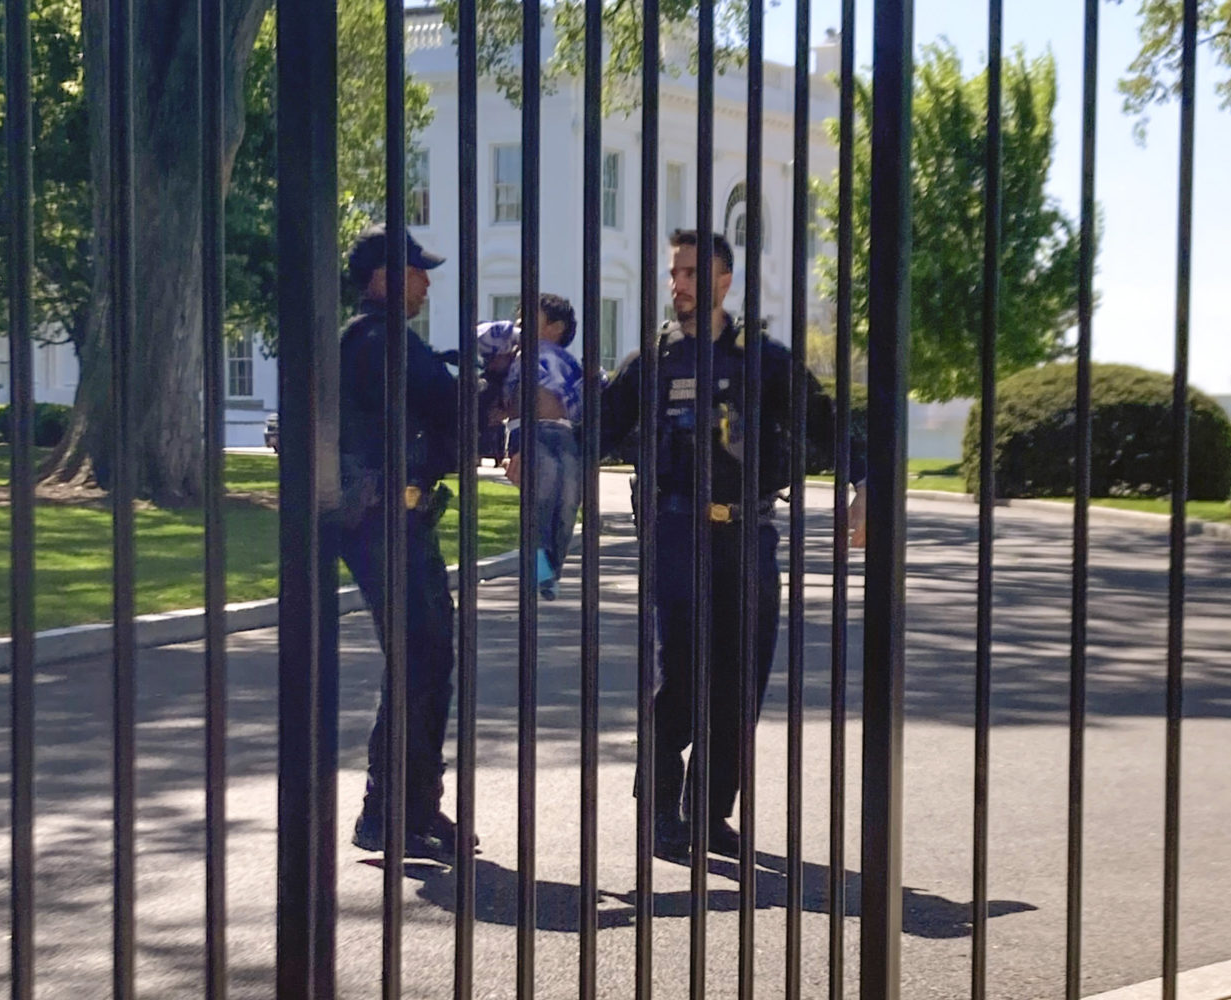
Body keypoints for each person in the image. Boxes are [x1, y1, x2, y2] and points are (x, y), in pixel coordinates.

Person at [600, 228, 868, 861]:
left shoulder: (765, 359)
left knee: (742, 679)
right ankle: (662, 808)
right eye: (674, 273)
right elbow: (599, 428)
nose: (679, 285)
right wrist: (536, 452)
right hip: (675, 531)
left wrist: (866, 486)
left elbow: (825, 423)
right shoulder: (654, 361)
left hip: (749, 533)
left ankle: (709, 812)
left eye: (692, 273)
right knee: (682, 676)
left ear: (724, 279)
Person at [326, 223, 467, 863]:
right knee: (419, 657)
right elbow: (448, 412)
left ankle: (412, 803)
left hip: (400, 519)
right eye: (417, 270)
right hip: (382, 521)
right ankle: (384, 810)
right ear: (385, 276)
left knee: (431, 655)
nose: (427, 281)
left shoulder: (381, 343)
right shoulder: (380, 343)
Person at [479, 294, 585, 600]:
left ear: (555, 328)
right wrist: (512, 335)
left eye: (529, 319)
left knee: (567, 503)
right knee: (541, 499)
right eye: (519, 319)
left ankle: (552, 568)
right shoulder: (516, 355)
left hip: (564, 433)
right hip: (529, 433)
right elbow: (478, 337)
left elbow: (587, 397)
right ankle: (538, 573)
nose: (521, 325)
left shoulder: (565, 361)